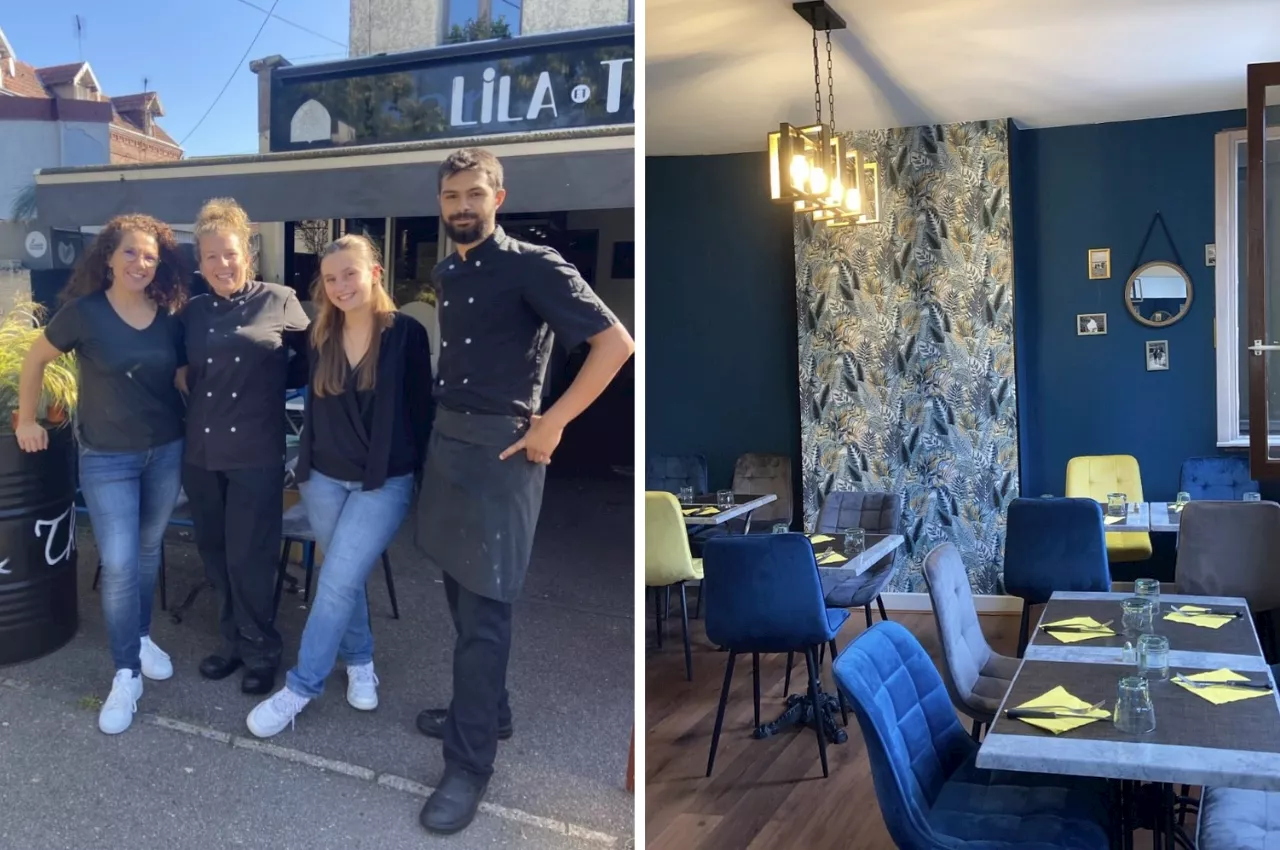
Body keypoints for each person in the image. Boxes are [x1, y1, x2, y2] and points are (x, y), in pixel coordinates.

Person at [413, 148, 635, 835]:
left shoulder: (534, 263)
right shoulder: (449, 270)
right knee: (457, 588)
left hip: (504, 452)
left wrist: (555, 423)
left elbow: (615, 343)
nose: (461, 206)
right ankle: (491, 710)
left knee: (485, 611)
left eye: (474, 193)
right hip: (448, 441)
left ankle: (469, 764)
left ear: (498, 197)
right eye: (451, 196)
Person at [245, 234, 434, 737]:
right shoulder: (318, 336)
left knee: (333, 582)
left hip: (382, 482)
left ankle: (300, 687)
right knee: (342, 582)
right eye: (331, 279)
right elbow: (268, 362)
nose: (341, 286)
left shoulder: (406, 334)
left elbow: (422, 409)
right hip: (323, 479)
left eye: (350, 273)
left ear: (375, 272)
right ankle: (360, 658)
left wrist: (429, 478)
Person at [16, 214, 188, 734]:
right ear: (109, 257)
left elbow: (177, 375)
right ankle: (126, 671)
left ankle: (138, 635)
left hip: (165, 451)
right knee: (117, 563)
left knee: (148, 550)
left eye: (150, 256)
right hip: (107, 458)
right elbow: (34, 360)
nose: (141, 263)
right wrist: (26, 417)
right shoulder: (84, 314)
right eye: (131, 253)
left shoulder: (168, 314)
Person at [177, 198, 310, 695]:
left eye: (229, 253)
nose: (221, 264)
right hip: (202, 455)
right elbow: (175, 367)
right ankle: (230, 643)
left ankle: (261, 651)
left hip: (255, 453)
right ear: (200, 263)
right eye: (210, 257)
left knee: (250, 558)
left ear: (246, 253)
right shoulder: (189, 313)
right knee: (215, 554)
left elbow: (316, 359)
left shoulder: (280, 300)